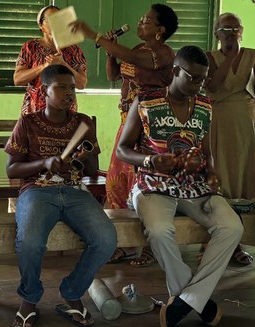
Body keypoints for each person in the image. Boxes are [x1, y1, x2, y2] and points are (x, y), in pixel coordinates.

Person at [116, 46, 243, 327]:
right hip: (153, 184)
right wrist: (150, 159)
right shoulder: (146, 101)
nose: (199, 84)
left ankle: (185, 301)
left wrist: (212, 173)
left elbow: (207, 151)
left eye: (203, 79)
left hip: (195, 186)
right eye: (193, 77)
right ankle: (197, 300)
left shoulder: (205, 106)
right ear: (175, 71)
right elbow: (123, 150)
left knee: (232, 227)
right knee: (160, 231)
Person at [5, 64, 116, 327]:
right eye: (62, 87)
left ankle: (71, 291)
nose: (69, 93)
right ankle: (29, 298)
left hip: (75, 191)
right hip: (37, 191)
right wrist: (44, 162)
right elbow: (12, 168)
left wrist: (85, 157)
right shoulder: (28, 123)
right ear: (45, 90)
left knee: (106, 240)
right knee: (30, 242)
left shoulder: (83, 123)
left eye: (73, 88)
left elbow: (90, 172)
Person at [70, 3, 178, 268]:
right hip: (128, 123)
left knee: (141, 185)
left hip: (151, 129)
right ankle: (121, 243)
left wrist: (94, 35)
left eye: (146, 20)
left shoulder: (162, 53)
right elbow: (113, 74)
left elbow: (130, 58)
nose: (140, 22)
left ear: (160, 30)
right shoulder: (139, 50)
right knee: (117, 184)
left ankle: (149, 247)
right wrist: (109, 51)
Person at [204, 12, 255, 266]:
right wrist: (230, 56)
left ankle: (241, 241)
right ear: (216, 33)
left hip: (249, 123)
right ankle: (215, 239)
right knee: (222, 178)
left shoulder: (254, 54)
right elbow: (213, 88)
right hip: (221, 122)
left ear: (242, 31)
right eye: (225, 29)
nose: (231, 33)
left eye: (235, 29)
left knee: (247, 178)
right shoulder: (210, 57)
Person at [13, 5, 87, 115]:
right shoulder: (30, 47)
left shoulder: (73, 50)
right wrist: (44, 66)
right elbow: (18, 80)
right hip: (34, 112)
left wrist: (63, 64)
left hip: (65, 113)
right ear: (41, 25)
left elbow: (81, 84)